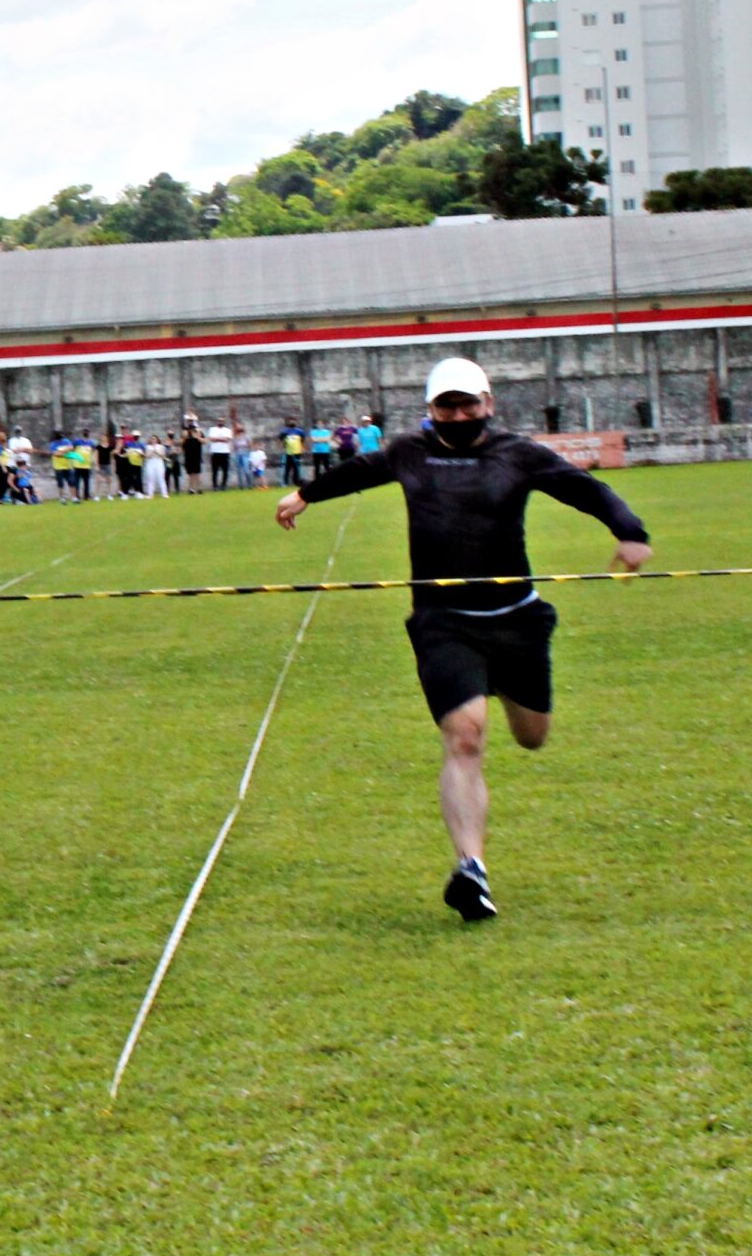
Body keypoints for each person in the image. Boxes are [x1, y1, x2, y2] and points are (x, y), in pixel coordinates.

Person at [276, 358, 651, 923]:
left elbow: (585, 489)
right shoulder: (407, 452)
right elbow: (361, 471)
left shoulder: (518, 454)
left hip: (517, 620)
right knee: (466, 737)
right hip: (442, 621)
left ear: (488, 403)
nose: (457, 414)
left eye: (467, 404)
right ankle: (470, 870)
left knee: (532, 736)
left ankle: (499, 684)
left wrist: (630, 532)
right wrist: (305, 495)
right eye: (445, 406)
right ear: (430, 410)